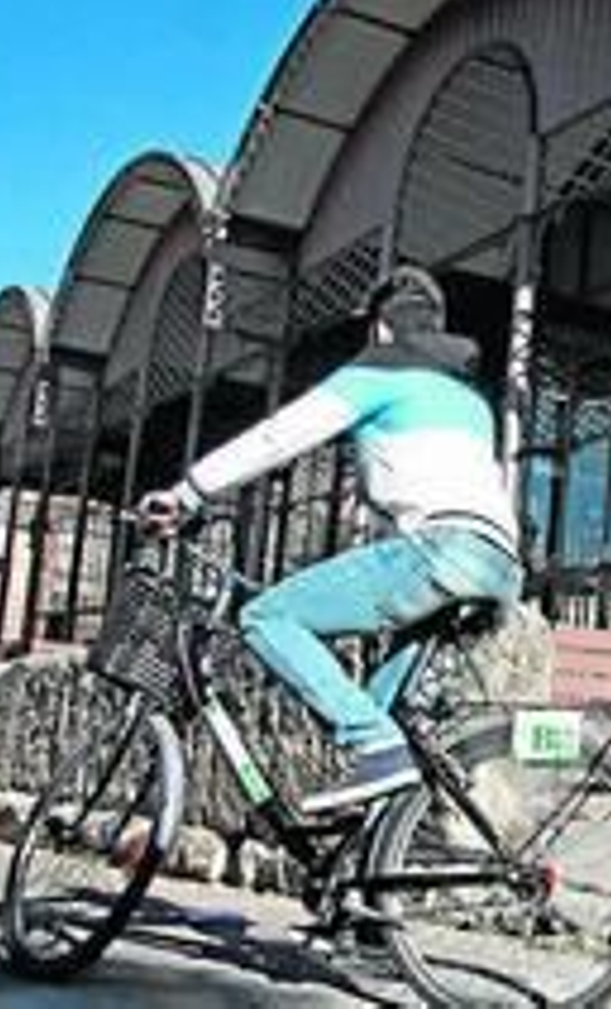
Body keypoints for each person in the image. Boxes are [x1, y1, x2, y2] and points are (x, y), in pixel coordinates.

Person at [139, 264, 521, 813]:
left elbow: (278, 438)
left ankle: (375, 744)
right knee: (382, 717)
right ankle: (381, 839)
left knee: (267, 617)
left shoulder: (381, 370)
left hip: (439, 551)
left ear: (382, 327)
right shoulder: (472, 402)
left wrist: (188, 493)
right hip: (496, 564)